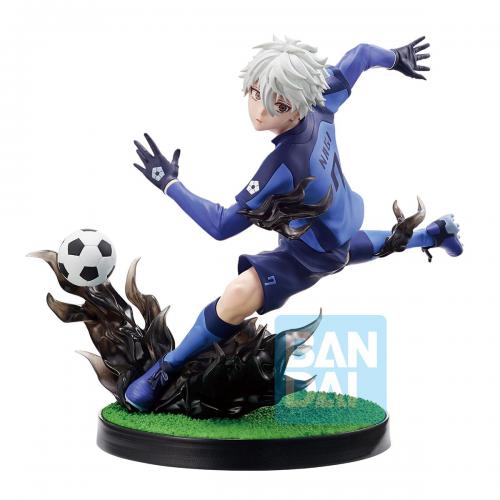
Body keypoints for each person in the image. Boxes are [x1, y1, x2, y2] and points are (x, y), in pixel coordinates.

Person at [125, 35, 462, 411]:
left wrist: (170, 185)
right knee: (347, 247)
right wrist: (396, 58)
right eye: (256, 93)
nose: (260, 111)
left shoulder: (284, 165)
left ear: (297, 107)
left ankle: (166, 369)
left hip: (311, 251)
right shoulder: (322, 98)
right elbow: (363, 55)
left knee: (238, 293)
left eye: (278, 104)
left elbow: (221, 226)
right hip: (334, 220)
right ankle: (434, 234)